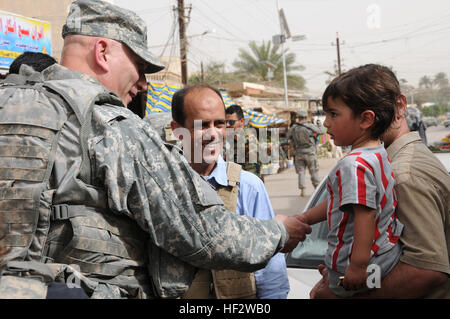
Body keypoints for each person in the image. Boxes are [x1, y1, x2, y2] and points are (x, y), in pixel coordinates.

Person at [0, 0, 311, 299]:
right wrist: (278, 232)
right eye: (138, 64)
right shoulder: (112, 125)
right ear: (103, 51)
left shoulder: (7, 104)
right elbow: (198, 232)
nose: (143, 83)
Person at [311, 65, 449, 299]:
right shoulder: (380, 162)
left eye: (334, 114)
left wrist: (340, 293)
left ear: (401, 106)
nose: (326, 123)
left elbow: (427, 271)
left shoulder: (403, 174)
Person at [169, 84, 290, 299]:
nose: (213, 134)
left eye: (219, 124)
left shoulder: (248, 186)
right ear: (178, 130)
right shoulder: (161, 186)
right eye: (202, 125)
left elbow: (270, 263)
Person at [301, 64, 404, 297]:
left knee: (320, 294)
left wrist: (357, 266)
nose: (326, 122)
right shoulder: (379, 152)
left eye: (333, 114)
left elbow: (365, 213)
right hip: (385, 255)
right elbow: (341, 201)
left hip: (359, 264)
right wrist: (306, 217)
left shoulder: (353, 164)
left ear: (366, 119)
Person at [287, 109, 325, 197]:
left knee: (301, 172)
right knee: (314, 171)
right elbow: (321, 131)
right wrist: (319, 123)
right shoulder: (310, 126)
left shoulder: (294, 128)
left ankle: (303, 190)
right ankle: (317, 189)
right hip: (310, 153)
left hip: (299, 153)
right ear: (305, 117)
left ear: (298, 118)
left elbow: (288, 136)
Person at [224, 104, 263, 180]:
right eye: (225, 122)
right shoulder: (231, 138)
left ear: (241, 121)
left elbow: (253, 174)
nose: (227, 125)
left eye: (231, 122)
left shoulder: (249, 141)